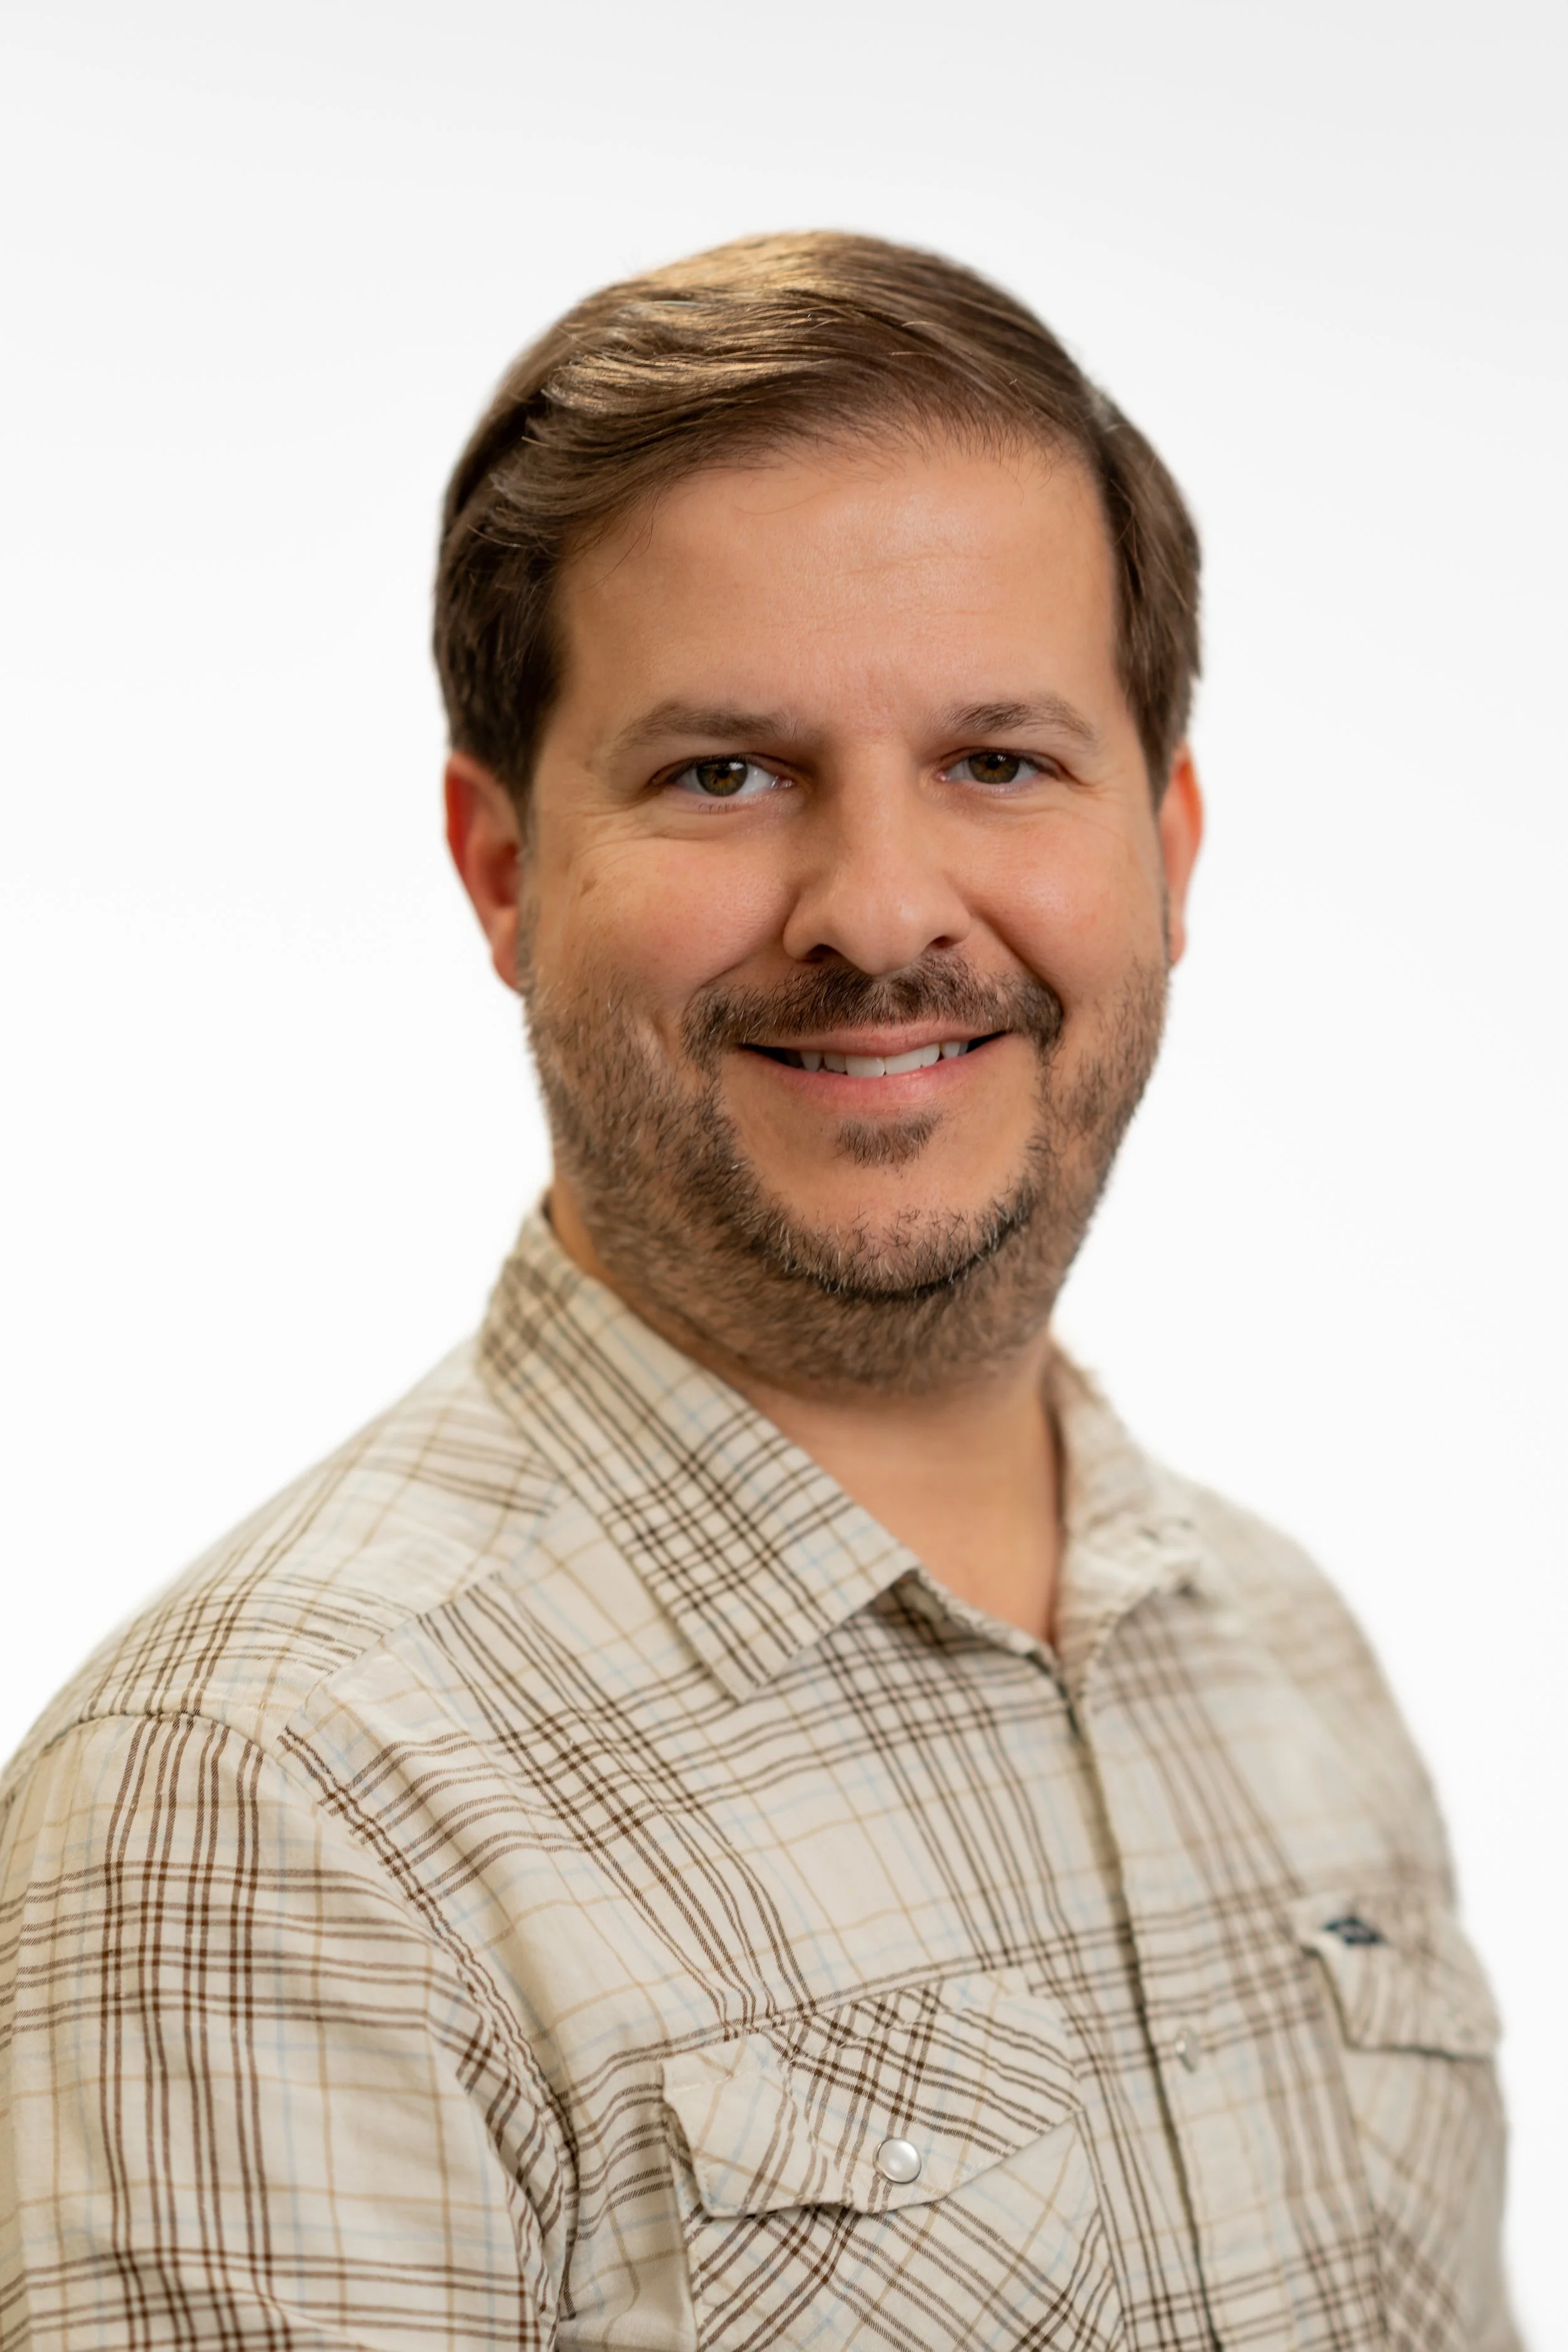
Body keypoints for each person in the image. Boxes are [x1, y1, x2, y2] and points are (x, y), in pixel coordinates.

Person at [0, 233, 1517, 2352]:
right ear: (504, 870)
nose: (880, 912)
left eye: (999, 759)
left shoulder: (1283, 1656)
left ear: (1166, 845)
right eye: (722, 770)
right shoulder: (271, 1801)